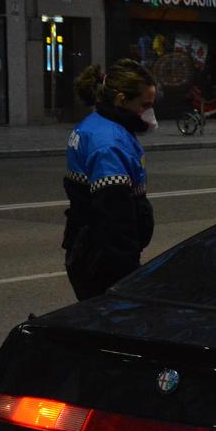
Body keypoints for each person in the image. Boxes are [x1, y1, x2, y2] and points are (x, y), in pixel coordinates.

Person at [63, 59, 159, 301]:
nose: (149, 113)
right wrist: (129, 274)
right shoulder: (109, 142)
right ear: (120, 100)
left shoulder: (95, 125)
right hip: (103, 259)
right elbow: (114, 215)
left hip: (87, 248)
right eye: (144, 105)